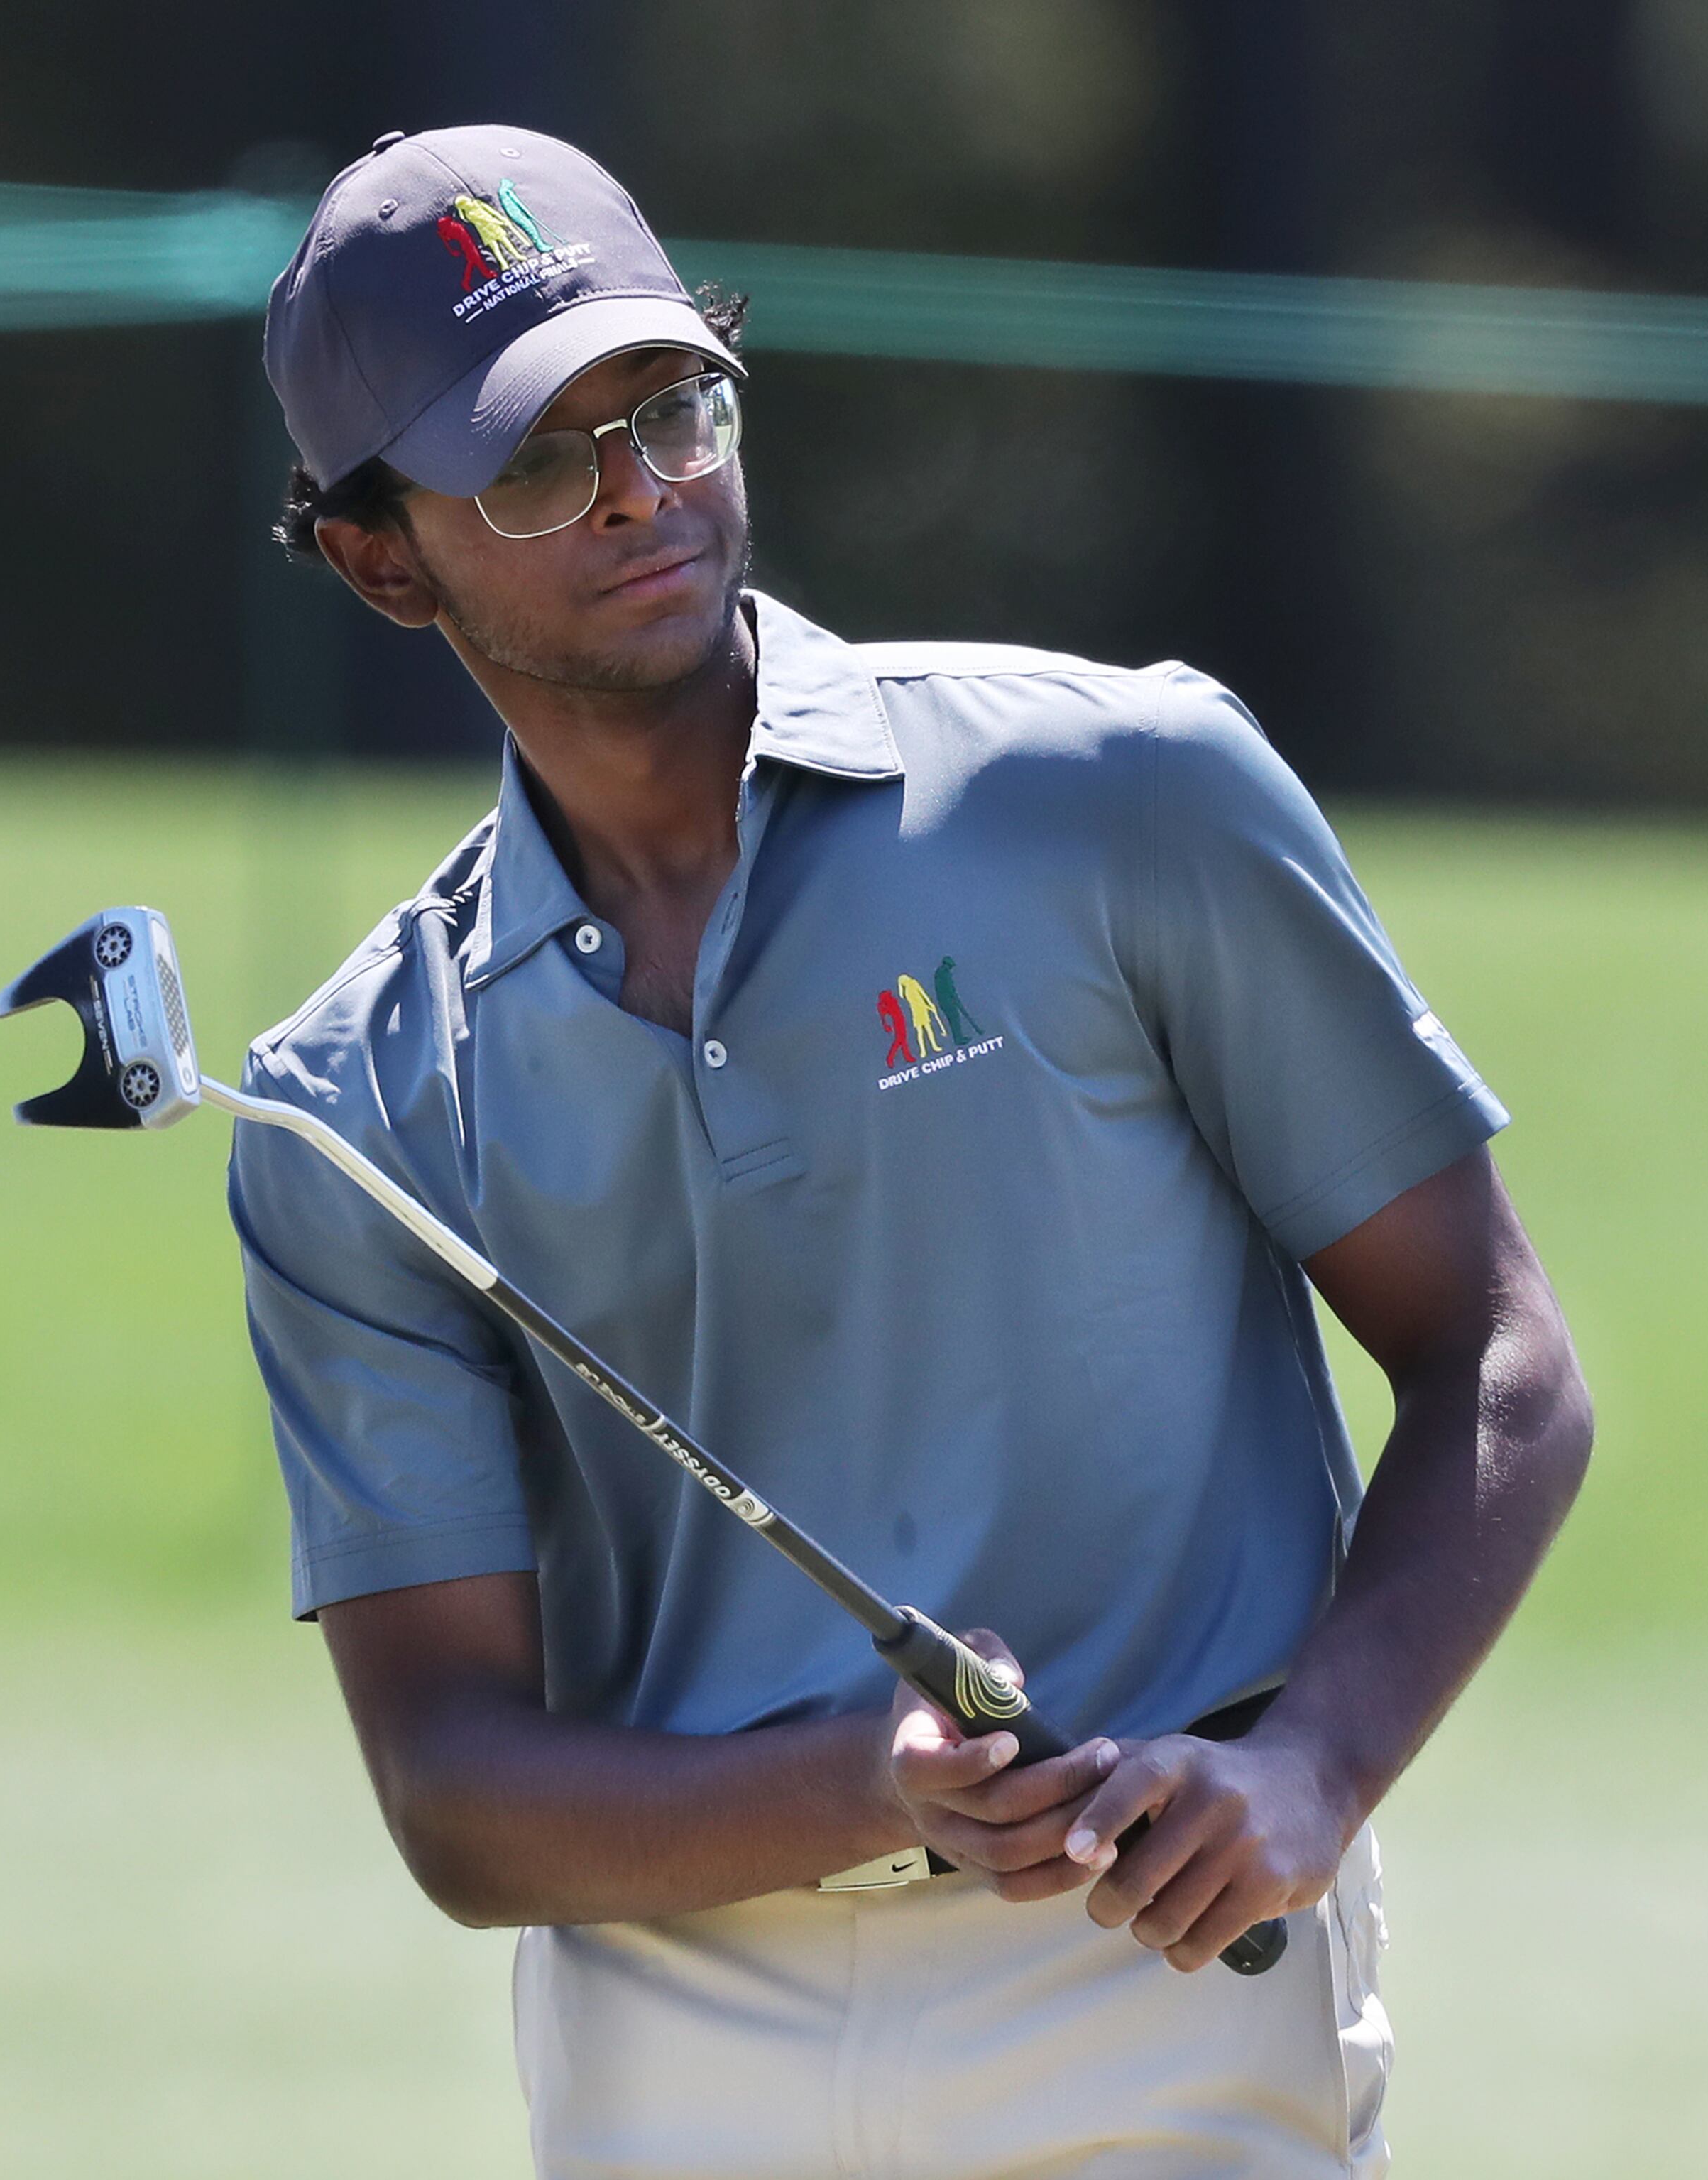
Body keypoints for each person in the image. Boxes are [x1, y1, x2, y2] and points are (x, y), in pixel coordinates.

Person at [232, 123, 1593, 2180]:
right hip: (667, 2033)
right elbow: (455, 1791)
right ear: (379, 557)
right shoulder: (354, 1106)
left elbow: (1496, 1359)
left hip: (1157, 1981)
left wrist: (1317, 1770)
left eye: (672, 407)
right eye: (537, 464)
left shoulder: (1122, 793)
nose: (648, 498)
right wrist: (866, 1782)